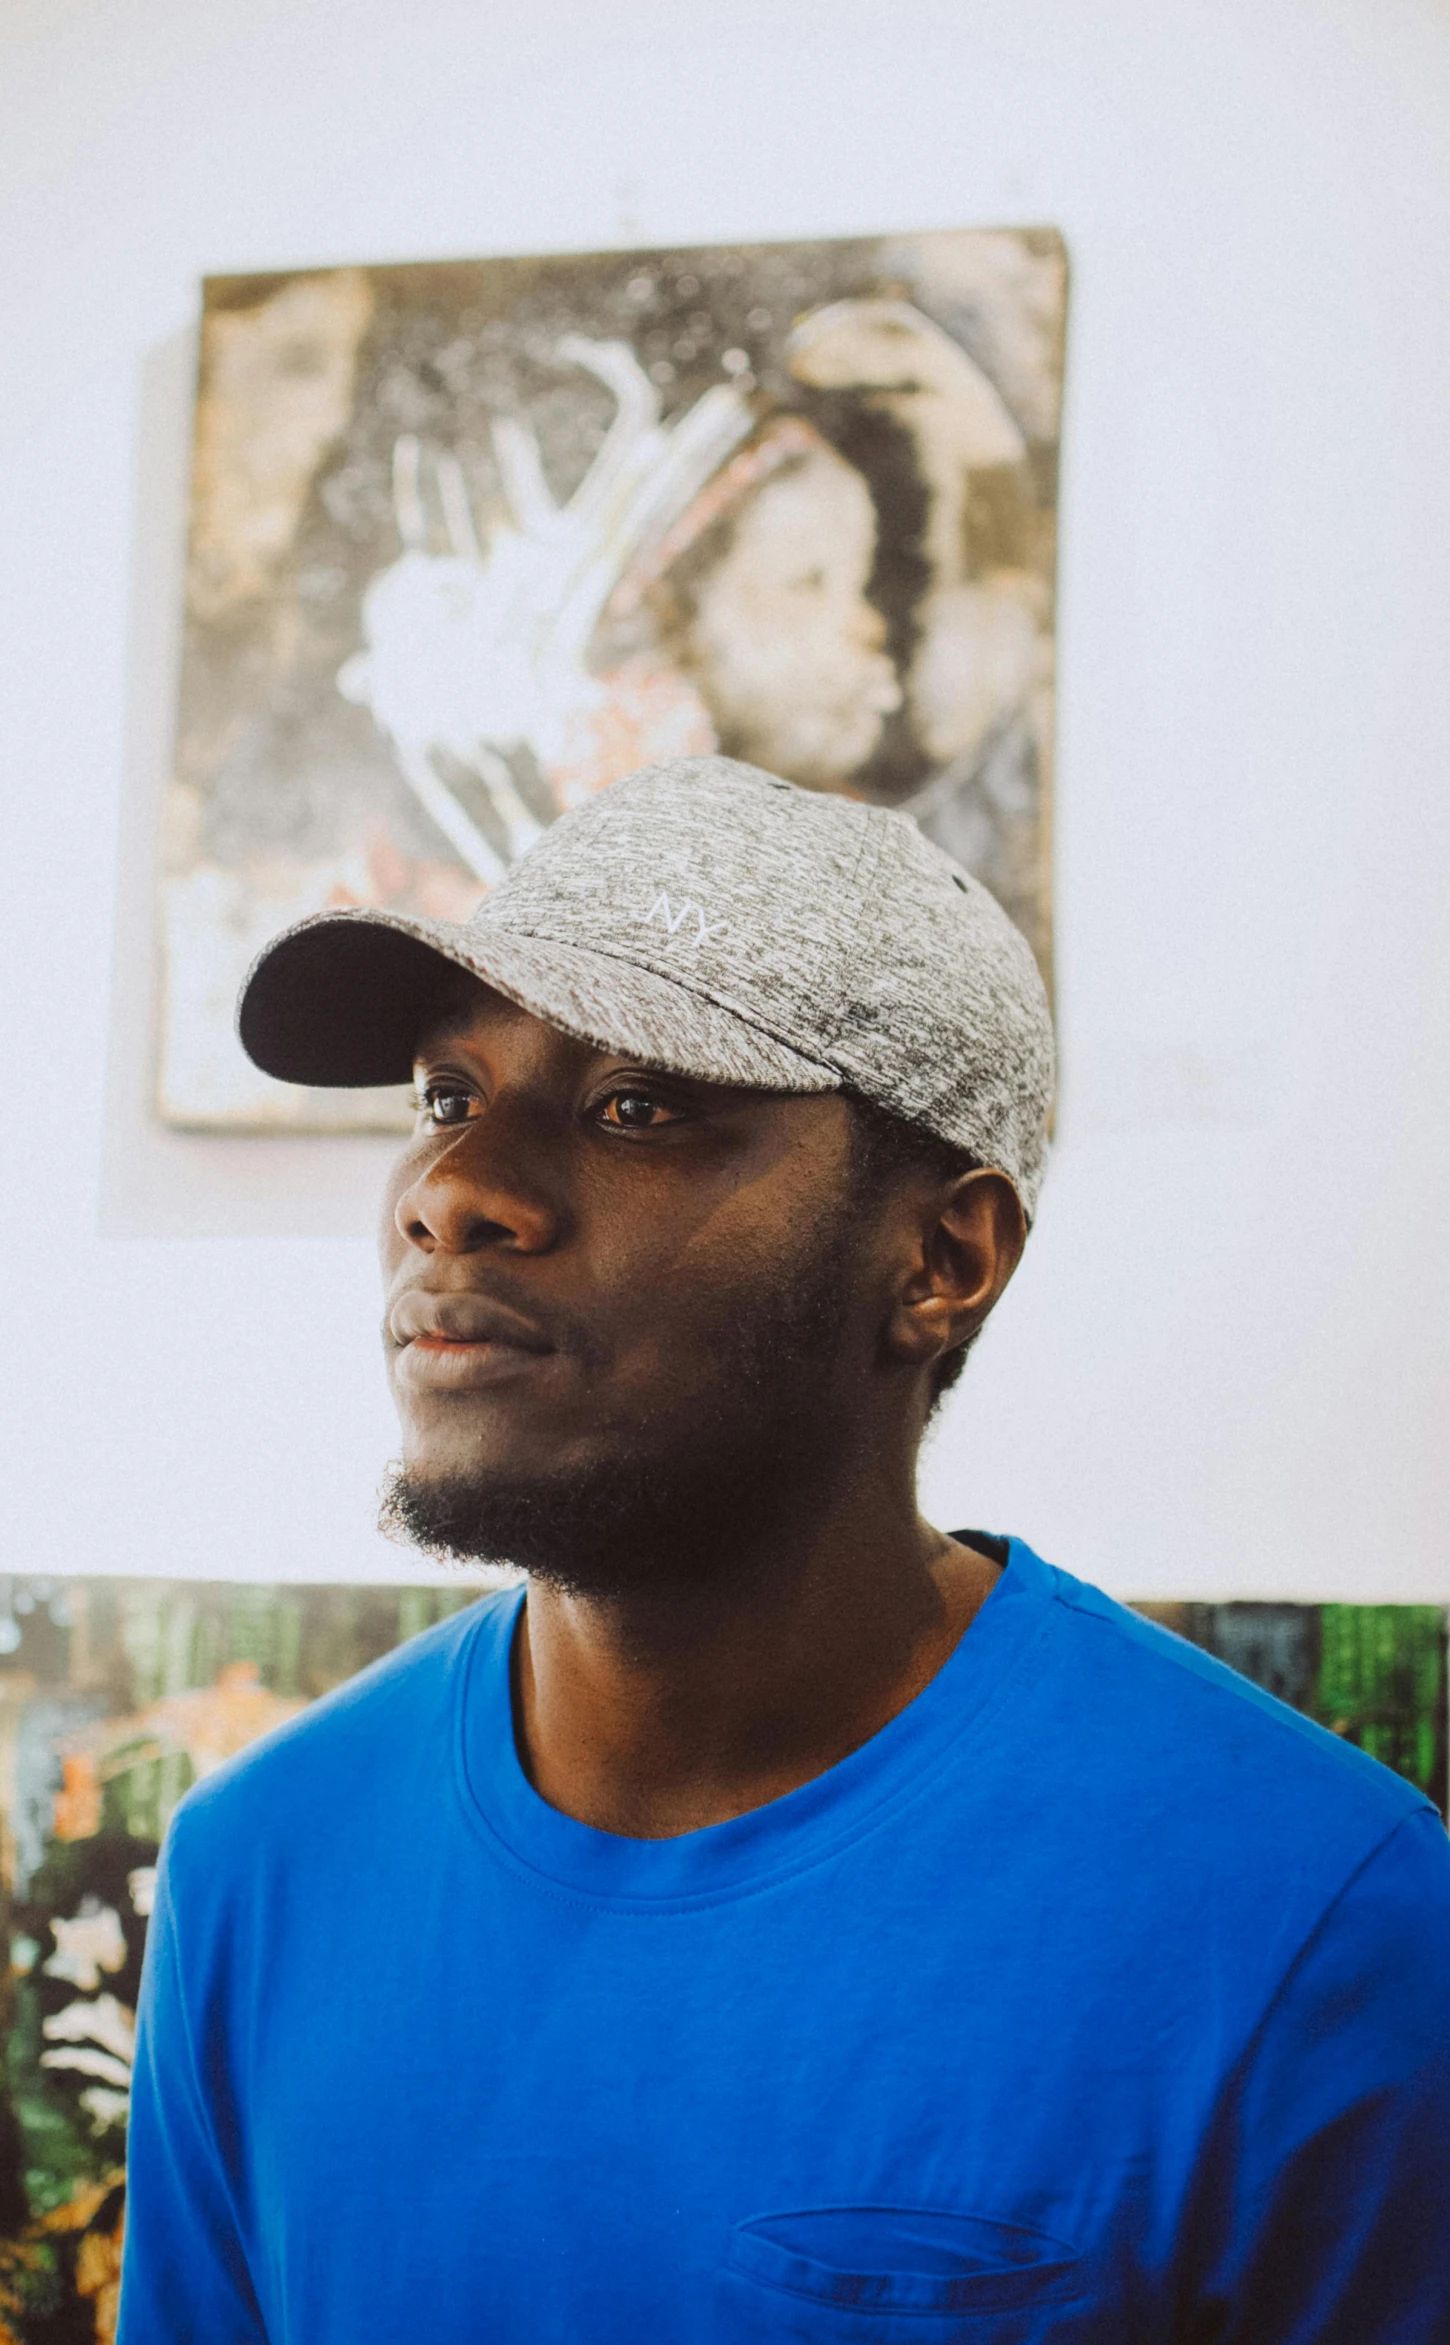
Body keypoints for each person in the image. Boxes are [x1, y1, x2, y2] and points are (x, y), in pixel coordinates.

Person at [119, 755, 1450, 2343]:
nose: (455, 1191)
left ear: (942, 1257)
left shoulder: (1311, 1916)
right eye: (449, 1098)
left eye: (638, 1107)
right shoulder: (262, 1864)